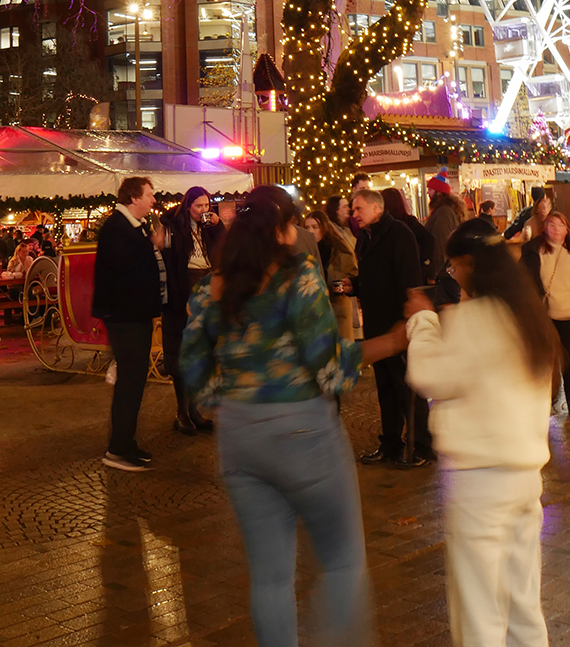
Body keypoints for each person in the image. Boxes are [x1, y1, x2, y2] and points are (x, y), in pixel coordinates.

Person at [180, 184, 404, 647]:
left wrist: (218, 399)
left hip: (241, 437)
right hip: (303, 431)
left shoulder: (212, 287)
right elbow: (325, 364)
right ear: (281, 229)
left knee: (270, 578)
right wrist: (394, 342)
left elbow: (191, 360)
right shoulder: (296, 276)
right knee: (343, 561)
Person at [406, 219, 560, 647]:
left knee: (479, 612)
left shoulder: (478, 319)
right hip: (526, 478)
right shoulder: (528, 317)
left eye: (454, 267)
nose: (453, 276)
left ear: (470, 264)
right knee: (522, 604)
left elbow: (430, 375)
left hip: (480, 480)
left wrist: (422, 323)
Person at [340, 189, 432, 465]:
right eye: (353, 210)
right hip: (376, 324)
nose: (354, 215)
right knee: (386, 387)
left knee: (407, 386)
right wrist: (354, 285)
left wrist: (407, 320)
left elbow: (409, 279)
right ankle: (390, 443)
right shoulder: (365, 239)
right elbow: (373, 276)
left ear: (376, 208)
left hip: (397, 324)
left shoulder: (399, 234)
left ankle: (421, 447)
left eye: (358, 209)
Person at [92, 176, 167, 472]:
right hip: (125, 318)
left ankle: (126, 441)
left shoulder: (131, 228)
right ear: (134, 198)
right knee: (130, 382)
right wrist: (151, 245)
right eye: (150, 195)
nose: (153, 200)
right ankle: (117, 449)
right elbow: (123, 268)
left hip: (134, 316)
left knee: (135, 382)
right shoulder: (117, 228)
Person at [522, 211, 570, 419]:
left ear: (567, 229)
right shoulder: (534, 250)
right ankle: (546, 398)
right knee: (546, 358)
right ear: (545, 228)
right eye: (552, 225)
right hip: (545, 313)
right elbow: (526, 279)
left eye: (561, 226)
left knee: (567, 357)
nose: (556, 230)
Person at [160, 185, 224, 435]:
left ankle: (195, 410)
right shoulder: (175, 227)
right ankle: (182, 412)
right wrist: (179, 299)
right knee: (181, 354)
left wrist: (217, 225)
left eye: (207, 206)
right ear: (188, 206)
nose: (203, 210)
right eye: (199, 206)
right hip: (184, 288)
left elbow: (223, 249)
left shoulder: (209, 226)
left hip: (206, 284)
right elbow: (169, 260)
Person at [306, 209, 358, 337]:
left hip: (337, 309)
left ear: (323, 228)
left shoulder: (339, 250)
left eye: (315, 227)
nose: (310, 231)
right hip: (314, 312)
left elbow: (350, 278)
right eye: (307, 227)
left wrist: (332, 288)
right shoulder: (305, 252)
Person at [382, 187, 434, 283]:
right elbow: (429, 241)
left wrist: (418, 259)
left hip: (400, 275)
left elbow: (429, 241)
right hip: (414, 274)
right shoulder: (409, 221)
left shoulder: (389, 226)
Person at [425, 178, 463, 278]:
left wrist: (434, 273)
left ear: (439, 193)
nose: (428, 192)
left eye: (430, 189)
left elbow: (441, 244)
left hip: (443, 274)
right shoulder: (445, 210)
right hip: (446, 271)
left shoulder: (443, 213)